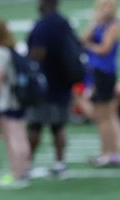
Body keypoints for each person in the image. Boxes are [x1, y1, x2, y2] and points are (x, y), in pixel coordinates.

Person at [27, 0, 80, 179]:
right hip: (64, 83)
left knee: (35, 125)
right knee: (58, 127)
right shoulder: (64, 23)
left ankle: (27, 163)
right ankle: (60, 163)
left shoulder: (43, 25)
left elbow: (38, 53)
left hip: (45, 84)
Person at [0, 19, 31, 188]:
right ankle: (25, 169)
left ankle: (16, 172)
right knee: (21, 135)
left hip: (8, 100)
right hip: (20, 98)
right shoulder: (12, 49)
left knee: (12, 138)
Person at [82, 0, 120, 167]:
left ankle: (108, 153)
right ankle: (112, 152)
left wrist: (89, 46)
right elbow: (83, 38)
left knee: (104, 114)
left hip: (104, 72)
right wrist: (93, 23)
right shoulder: (99, 24)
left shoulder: (113, 26)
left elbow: (104, 48)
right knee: (109, 114)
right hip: (99, 72)